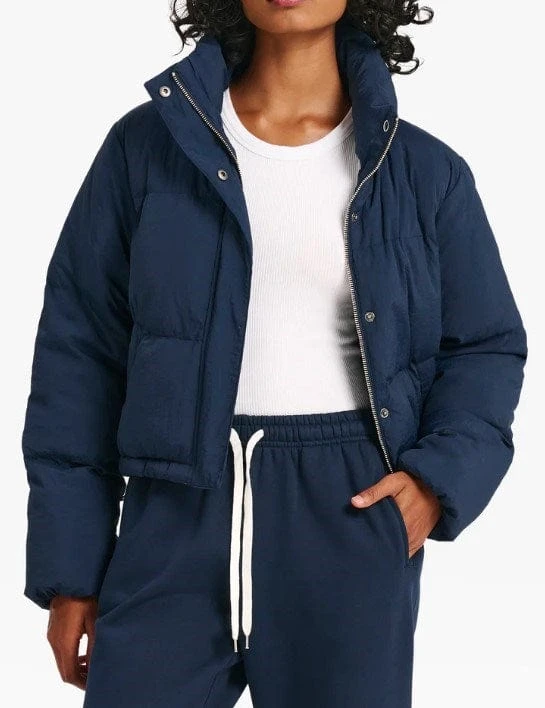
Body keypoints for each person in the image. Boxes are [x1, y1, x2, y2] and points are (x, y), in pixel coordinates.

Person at [21, 1, 527, 706]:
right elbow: (80, 354)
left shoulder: (422, 170)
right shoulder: (145, 150)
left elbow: (484, 346)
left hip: (348, 511)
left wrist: (434, 486)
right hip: (172, 510)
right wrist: (70, 571)